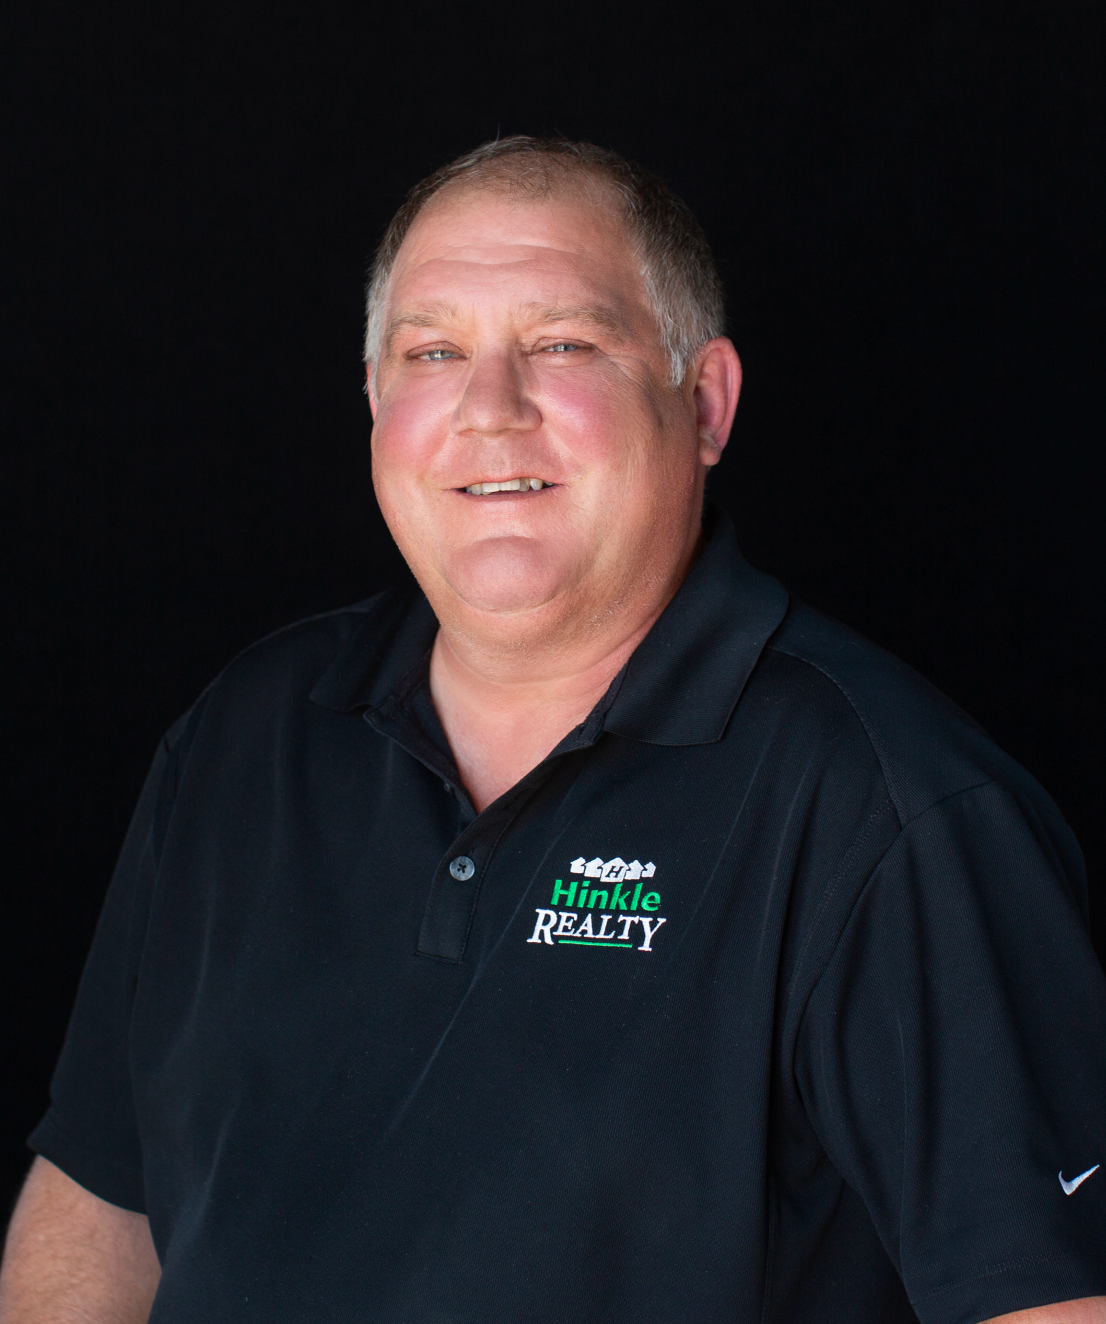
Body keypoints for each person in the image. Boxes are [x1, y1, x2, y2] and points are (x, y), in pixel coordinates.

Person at [1, 136, 1103, 1324]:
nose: (489, 410)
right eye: (432, 352)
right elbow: (102, 1204)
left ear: (705, 403)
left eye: (562, 344)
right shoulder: (245, 736)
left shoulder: (891, 812)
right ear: (375, 404)